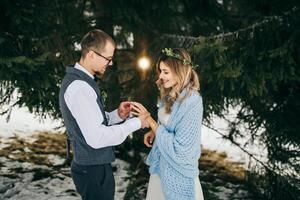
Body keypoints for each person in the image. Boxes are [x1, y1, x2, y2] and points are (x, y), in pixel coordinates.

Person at [59, 29, 149, 200]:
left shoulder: (82, 83)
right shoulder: (80, 88)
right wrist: (136, 123)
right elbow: (97, 137)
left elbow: (92, 122)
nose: (110, 63)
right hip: (93, 170)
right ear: (92, 54)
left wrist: (118, 115)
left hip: (94, 168)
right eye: (108, 58)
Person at [131, 48, 204, 200]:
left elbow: (181, 150)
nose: (161, 76)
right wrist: (154, 131)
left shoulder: (192, 101)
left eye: (166, 72)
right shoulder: (168, 96)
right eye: (160, 71)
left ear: (180, 71)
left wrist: (150, 120)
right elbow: (166, 125)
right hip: (160, 169)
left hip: (178, 175)